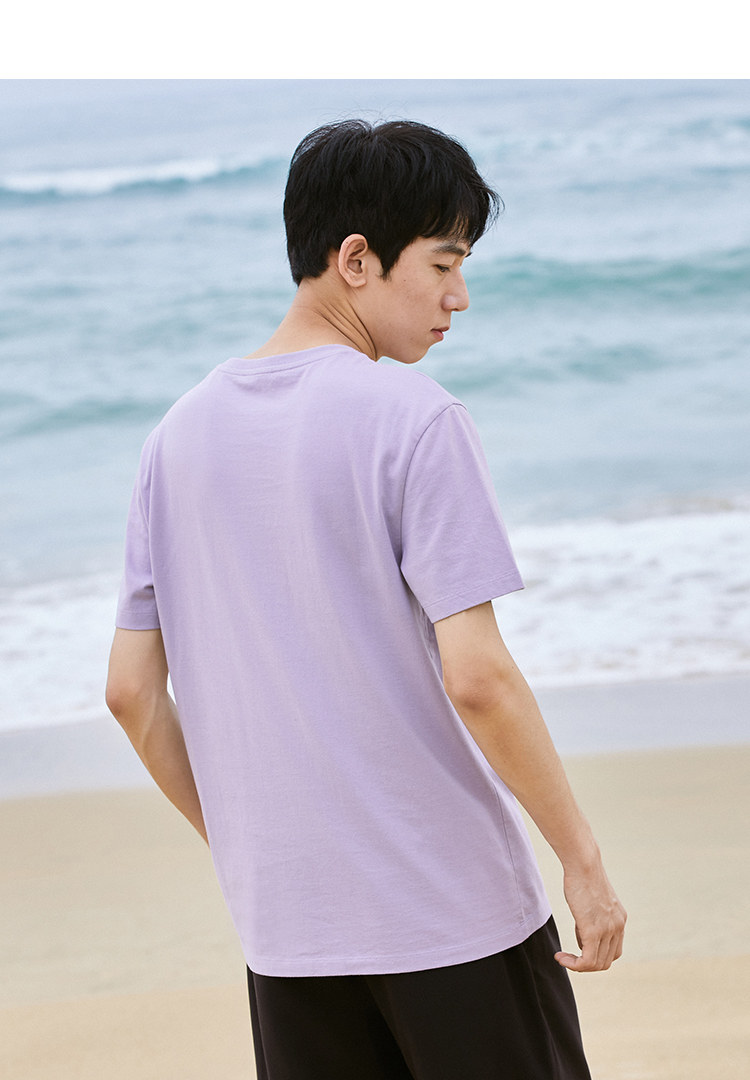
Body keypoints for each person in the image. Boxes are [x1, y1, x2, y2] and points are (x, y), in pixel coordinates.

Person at [106, 118, 626, 1079]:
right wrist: (582, 859)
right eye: (444, 264)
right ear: (356, 260)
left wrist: (259, 853)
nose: (459, 297)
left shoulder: (172, 442)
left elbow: (130, 694)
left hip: (289, 937)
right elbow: (479, 679)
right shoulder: (416, 419)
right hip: (455, 916)